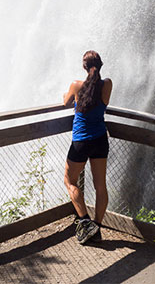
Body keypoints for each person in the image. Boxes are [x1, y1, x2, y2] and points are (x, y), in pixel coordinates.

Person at [62, 49, 111, 245]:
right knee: (100, 185)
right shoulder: (107, 84)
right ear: (100, 66)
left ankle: (84, 221)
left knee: (69, 180)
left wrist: (66, 95)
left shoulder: (76, 85)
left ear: (84, 66)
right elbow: (103, 100)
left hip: (81, 142)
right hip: (100, 139)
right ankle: (97, 227)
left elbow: (65, 102)